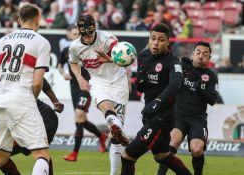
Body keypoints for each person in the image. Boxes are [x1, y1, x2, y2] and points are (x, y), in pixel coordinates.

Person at [0, 4, 52, 175]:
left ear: (19, 20)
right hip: (22, 100)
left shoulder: (2, 41)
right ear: (37, 19)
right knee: (41, 153)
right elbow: (37, 83)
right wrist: (32, 100)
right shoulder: (41, 42)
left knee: (0, 156)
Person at [120, 23, 192, 175]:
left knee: (127, 156)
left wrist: (158, 102)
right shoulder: (143, 56)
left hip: (162, 118)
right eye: (153, 38)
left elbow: (175, 83)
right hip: (149, 114)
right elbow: (141, 87)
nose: (156, 42)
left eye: (160, 39)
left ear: (167, 42)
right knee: (162, 156)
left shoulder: (172, 62)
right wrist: (138, 81)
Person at [69, 13, 129, 175]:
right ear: (80, 31)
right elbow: (73, 62)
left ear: (95, 28)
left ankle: (114, 125)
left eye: (90, 33)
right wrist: (80, 77)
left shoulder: (108, 39)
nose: (88, 37)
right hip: (98, 81)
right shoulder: (74, 46)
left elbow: (126, 59)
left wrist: (109, 59)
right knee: (105, 105)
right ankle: (111, 120)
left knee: (116, 137)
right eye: (85, 34)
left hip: (119, 81)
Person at [157, 41, 218, 175]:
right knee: (172, 143)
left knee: (196, 149)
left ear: (209, 58)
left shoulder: (211, 76)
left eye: (205, 54)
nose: (201, 56)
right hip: (178, 115)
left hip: (198, 119)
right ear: (193, 54)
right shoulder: (181, 67)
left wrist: (201, 89)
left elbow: (213, 100)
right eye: (198, 53)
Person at [57, 26, 108, 161]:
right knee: (81, 120)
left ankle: (74, 153)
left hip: (87, 86)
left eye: (77, 34)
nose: (75, 36)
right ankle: (101, 136)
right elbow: (59, 66)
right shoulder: (65, 51)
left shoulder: (87, 49)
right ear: (69, 36)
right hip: (73, 86)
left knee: (79, 115)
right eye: (73, 34)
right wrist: (64, 74)